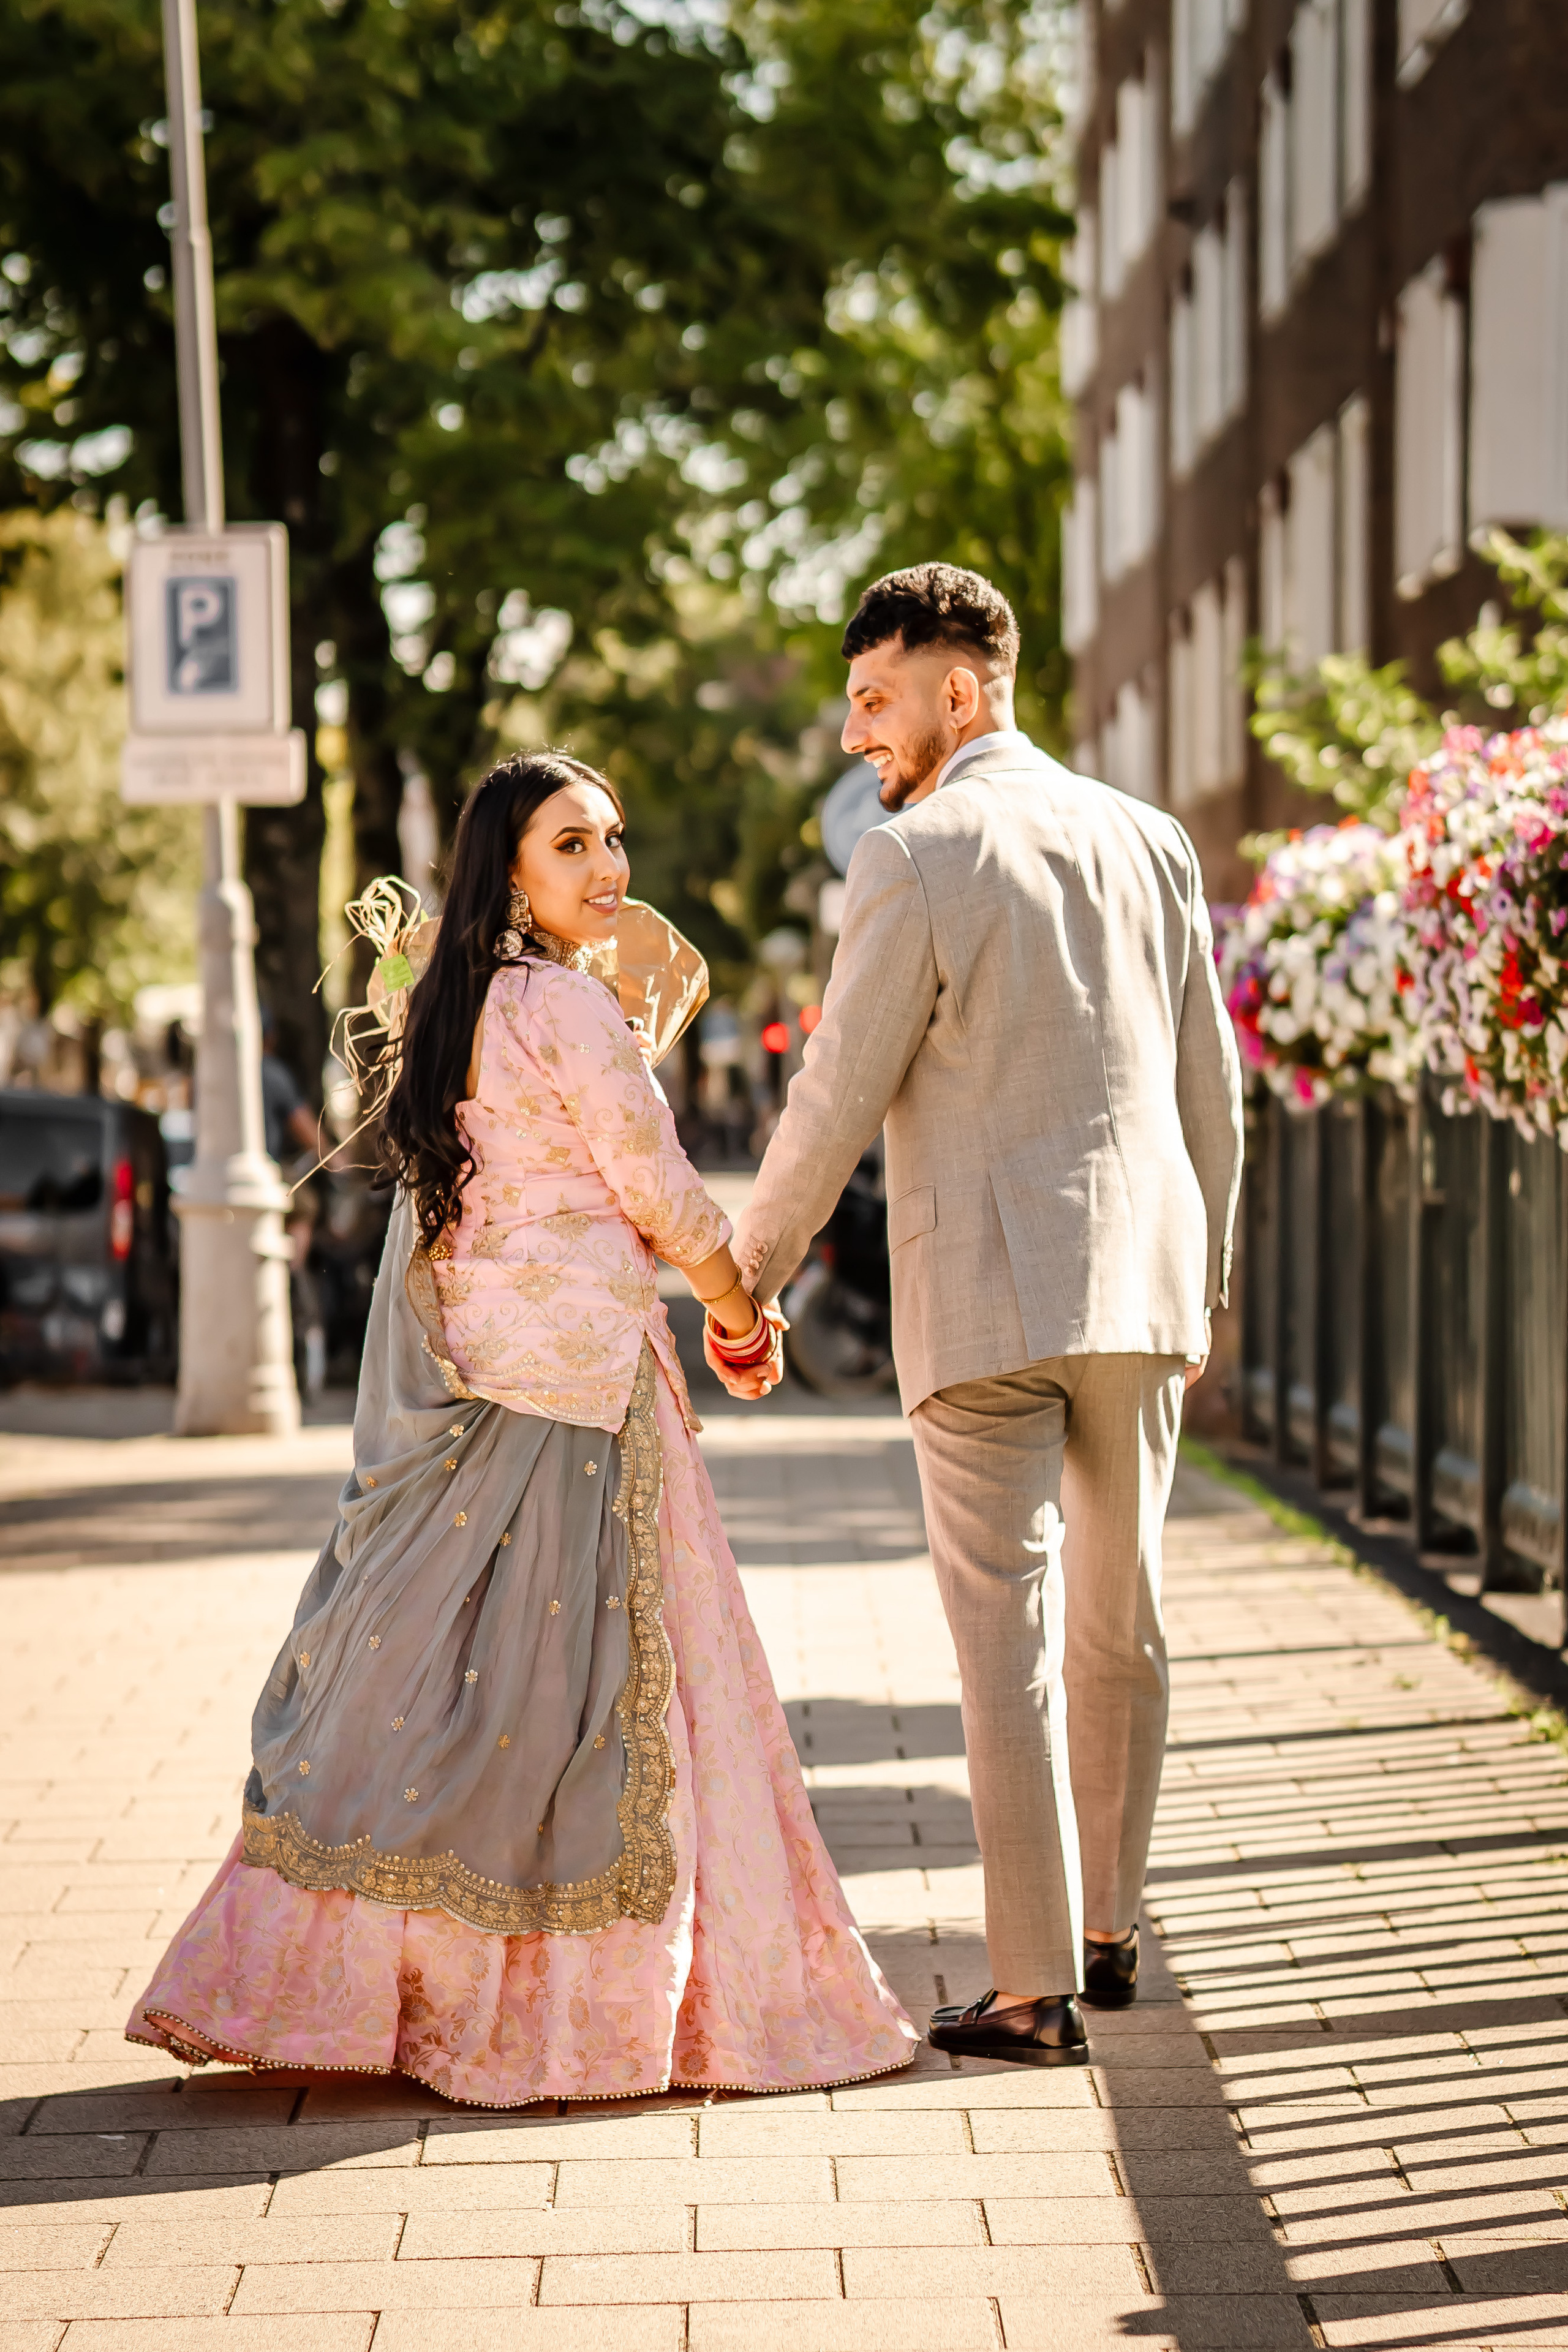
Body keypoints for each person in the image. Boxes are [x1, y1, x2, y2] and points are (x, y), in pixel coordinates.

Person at [127, 750, 917, 2105]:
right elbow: (659, 1190)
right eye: (573, 845)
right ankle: (569, 2017)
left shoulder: (458, 1000)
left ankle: (353, 1980)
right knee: (596, 1706)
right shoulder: (565, 1004)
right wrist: (737, 1312)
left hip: (479, 1374)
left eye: (614, 839)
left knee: (435, 1690)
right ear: (508, 869)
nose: (609, 868)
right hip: (580, 1389)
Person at [730, 564, 1245, 2066]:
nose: (853, 737)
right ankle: (1108, 1933)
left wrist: (744, 1276)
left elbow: (833, 1097)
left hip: (983, 1294)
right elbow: (1210, 1092)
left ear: (960, 692)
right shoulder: (1151, 841)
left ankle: (1030, 1991)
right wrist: (1197, 1281)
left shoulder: (913, 854)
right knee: (1120, 1619)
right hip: (1140, 1288)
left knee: (1001, 1640)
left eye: (874, 701)